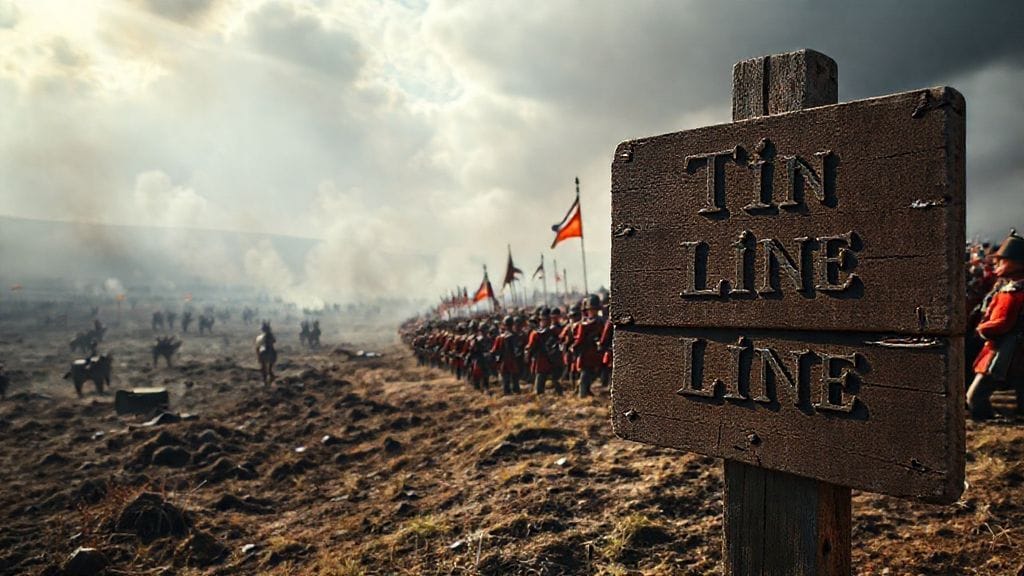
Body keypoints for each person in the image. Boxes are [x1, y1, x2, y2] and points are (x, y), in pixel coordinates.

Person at [966, 230, 1024, 420]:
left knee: (975, 395)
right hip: (1004, 346)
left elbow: (1003, 323)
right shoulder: (1007, 288)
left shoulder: (1014, 292)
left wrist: (982, 329)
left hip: (1007, 349)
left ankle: (988, 418)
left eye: (1002, 260)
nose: (996, 263)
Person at [525, 307, 563, 395]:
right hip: (544, 360)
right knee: (542, 383)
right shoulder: (538, 333)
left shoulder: (539, 333)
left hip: (547, 361)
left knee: (550, 381)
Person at [574, 294, 606, 397]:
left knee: (590, 374)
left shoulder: (600, 322)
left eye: (594, 309)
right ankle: (582, 394)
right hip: (586, 353)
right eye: (591, 309)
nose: (592, 311)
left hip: (595, 353)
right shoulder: (583, 324)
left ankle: (585, 391)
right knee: (585, 374)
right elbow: (579, 340)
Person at [491, 315, 523, 394]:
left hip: (504, 362)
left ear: (504, 325)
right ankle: (516, 393)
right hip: (513, 361)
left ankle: (507, 394)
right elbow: (518, 348)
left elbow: (494, 350)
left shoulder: (500, 337)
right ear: (512, 324)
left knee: (506, 380)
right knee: (515, 380)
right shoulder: (516, 336)